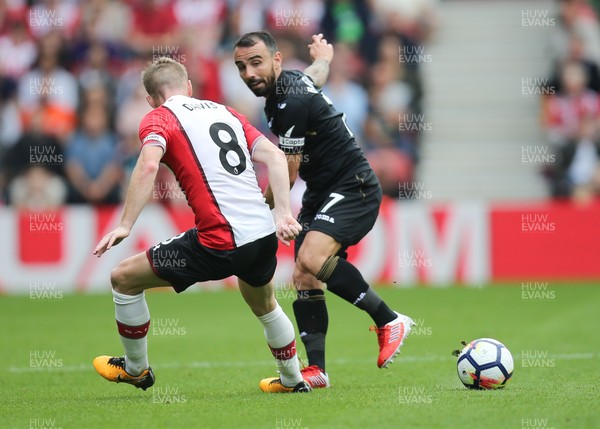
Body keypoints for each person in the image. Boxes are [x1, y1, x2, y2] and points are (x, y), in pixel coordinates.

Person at [92, 56, 311, 393]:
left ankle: (136, 369)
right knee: (265, 305)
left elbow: (148, 167)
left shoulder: (159, 117)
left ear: (151, 99)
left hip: (220, 240)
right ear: (189, 88)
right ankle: (293, 379)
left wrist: (125, 224)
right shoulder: (226, 112)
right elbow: (276, 156)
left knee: (123, 279)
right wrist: (282, 213)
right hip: (262, 235)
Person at [233, 31, 415, 389]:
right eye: (241, 66)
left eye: (256, 62)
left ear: (277, 60)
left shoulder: (289, 103)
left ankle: (388, 319)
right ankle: (317, 371)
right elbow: (314, 76)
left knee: (313, 258)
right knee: (303, 274)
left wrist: (270, 208)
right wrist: (325, 59)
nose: (249, 72)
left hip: (353, 186)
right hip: (323, 191)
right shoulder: (289, 85)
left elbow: (289, 168)